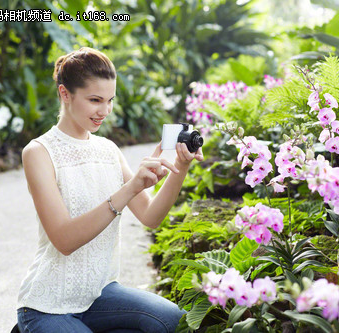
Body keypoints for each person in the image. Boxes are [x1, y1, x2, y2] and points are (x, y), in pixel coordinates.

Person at [16, 47, 204, 333]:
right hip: (48, 305)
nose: (105, 111)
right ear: (65, 93)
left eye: (110, 100)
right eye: (95, 100)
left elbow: (151, 216)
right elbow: (64, 240)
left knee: (173, 322)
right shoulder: (39, 152)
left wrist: (180, 166)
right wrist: (129, 189)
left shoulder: (108, 150)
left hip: (99, 296)